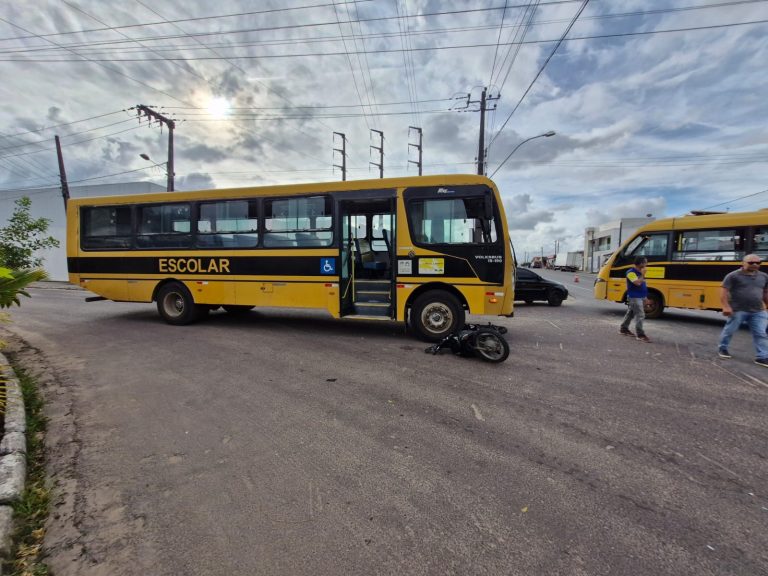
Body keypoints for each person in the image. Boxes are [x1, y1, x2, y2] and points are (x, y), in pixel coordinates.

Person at [717, 254, 768, 366]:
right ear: (743, 263)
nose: (755, 265)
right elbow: (724, 291)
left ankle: (762, 356)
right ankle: (723, 348)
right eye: (751, 262)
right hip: (738, 309)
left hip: (758, 310)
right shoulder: (733, 276)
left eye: (758, 263)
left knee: (761, 333)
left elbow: (765, 292)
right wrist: (726, 306)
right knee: (729, 330)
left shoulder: (763, 276)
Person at [620, 256, 651, 343]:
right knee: (640, 315)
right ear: (640, 263)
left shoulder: (639, 272)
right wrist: (643, 275)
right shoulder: (630, 272)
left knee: (630, 314)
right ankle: (640, 334)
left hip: (641, 296)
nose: (646, 264)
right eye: (645, 262)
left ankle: (624, 329)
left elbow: (643, 285)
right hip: (634, 297)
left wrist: (645, 297)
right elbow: (637, 283)